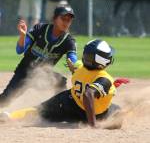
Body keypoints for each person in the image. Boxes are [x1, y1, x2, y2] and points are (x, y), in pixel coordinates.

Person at [0, 39, 129, 127]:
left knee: (39, 111)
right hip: (92, 115)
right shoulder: (104, 78)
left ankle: (11, 116)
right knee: (119, 113)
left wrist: (110, 85)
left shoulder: (80, 67)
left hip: (68, 104)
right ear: (103, 60)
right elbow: (88, 93)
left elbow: (83, 74)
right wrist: (93, 125)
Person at [0, 5, 77, 107]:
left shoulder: (68, 40)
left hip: (43, 76)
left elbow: (72, 57)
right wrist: (23, 36)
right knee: (6, 99)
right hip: (24, 71)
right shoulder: (40, 29)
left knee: (60, 82)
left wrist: (73, 63)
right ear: (54, 18)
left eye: (69, 20)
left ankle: (61, 107)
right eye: (63, 18)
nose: (66, 22)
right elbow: (19, 50)